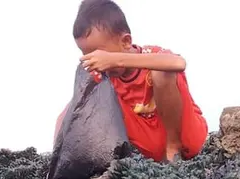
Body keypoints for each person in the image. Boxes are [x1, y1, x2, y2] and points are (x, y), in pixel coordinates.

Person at [54, 0, 208, 162]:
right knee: (80, 104)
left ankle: (173, 148)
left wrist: (116, 60)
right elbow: (68, 113)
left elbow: (178, 63)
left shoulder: (152, 54)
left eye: (101, 54)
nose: (99, 62)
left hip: (186, 137)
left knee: (162, 72)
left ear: (126, 41)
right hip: (151, 150)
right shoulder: (105, 76)